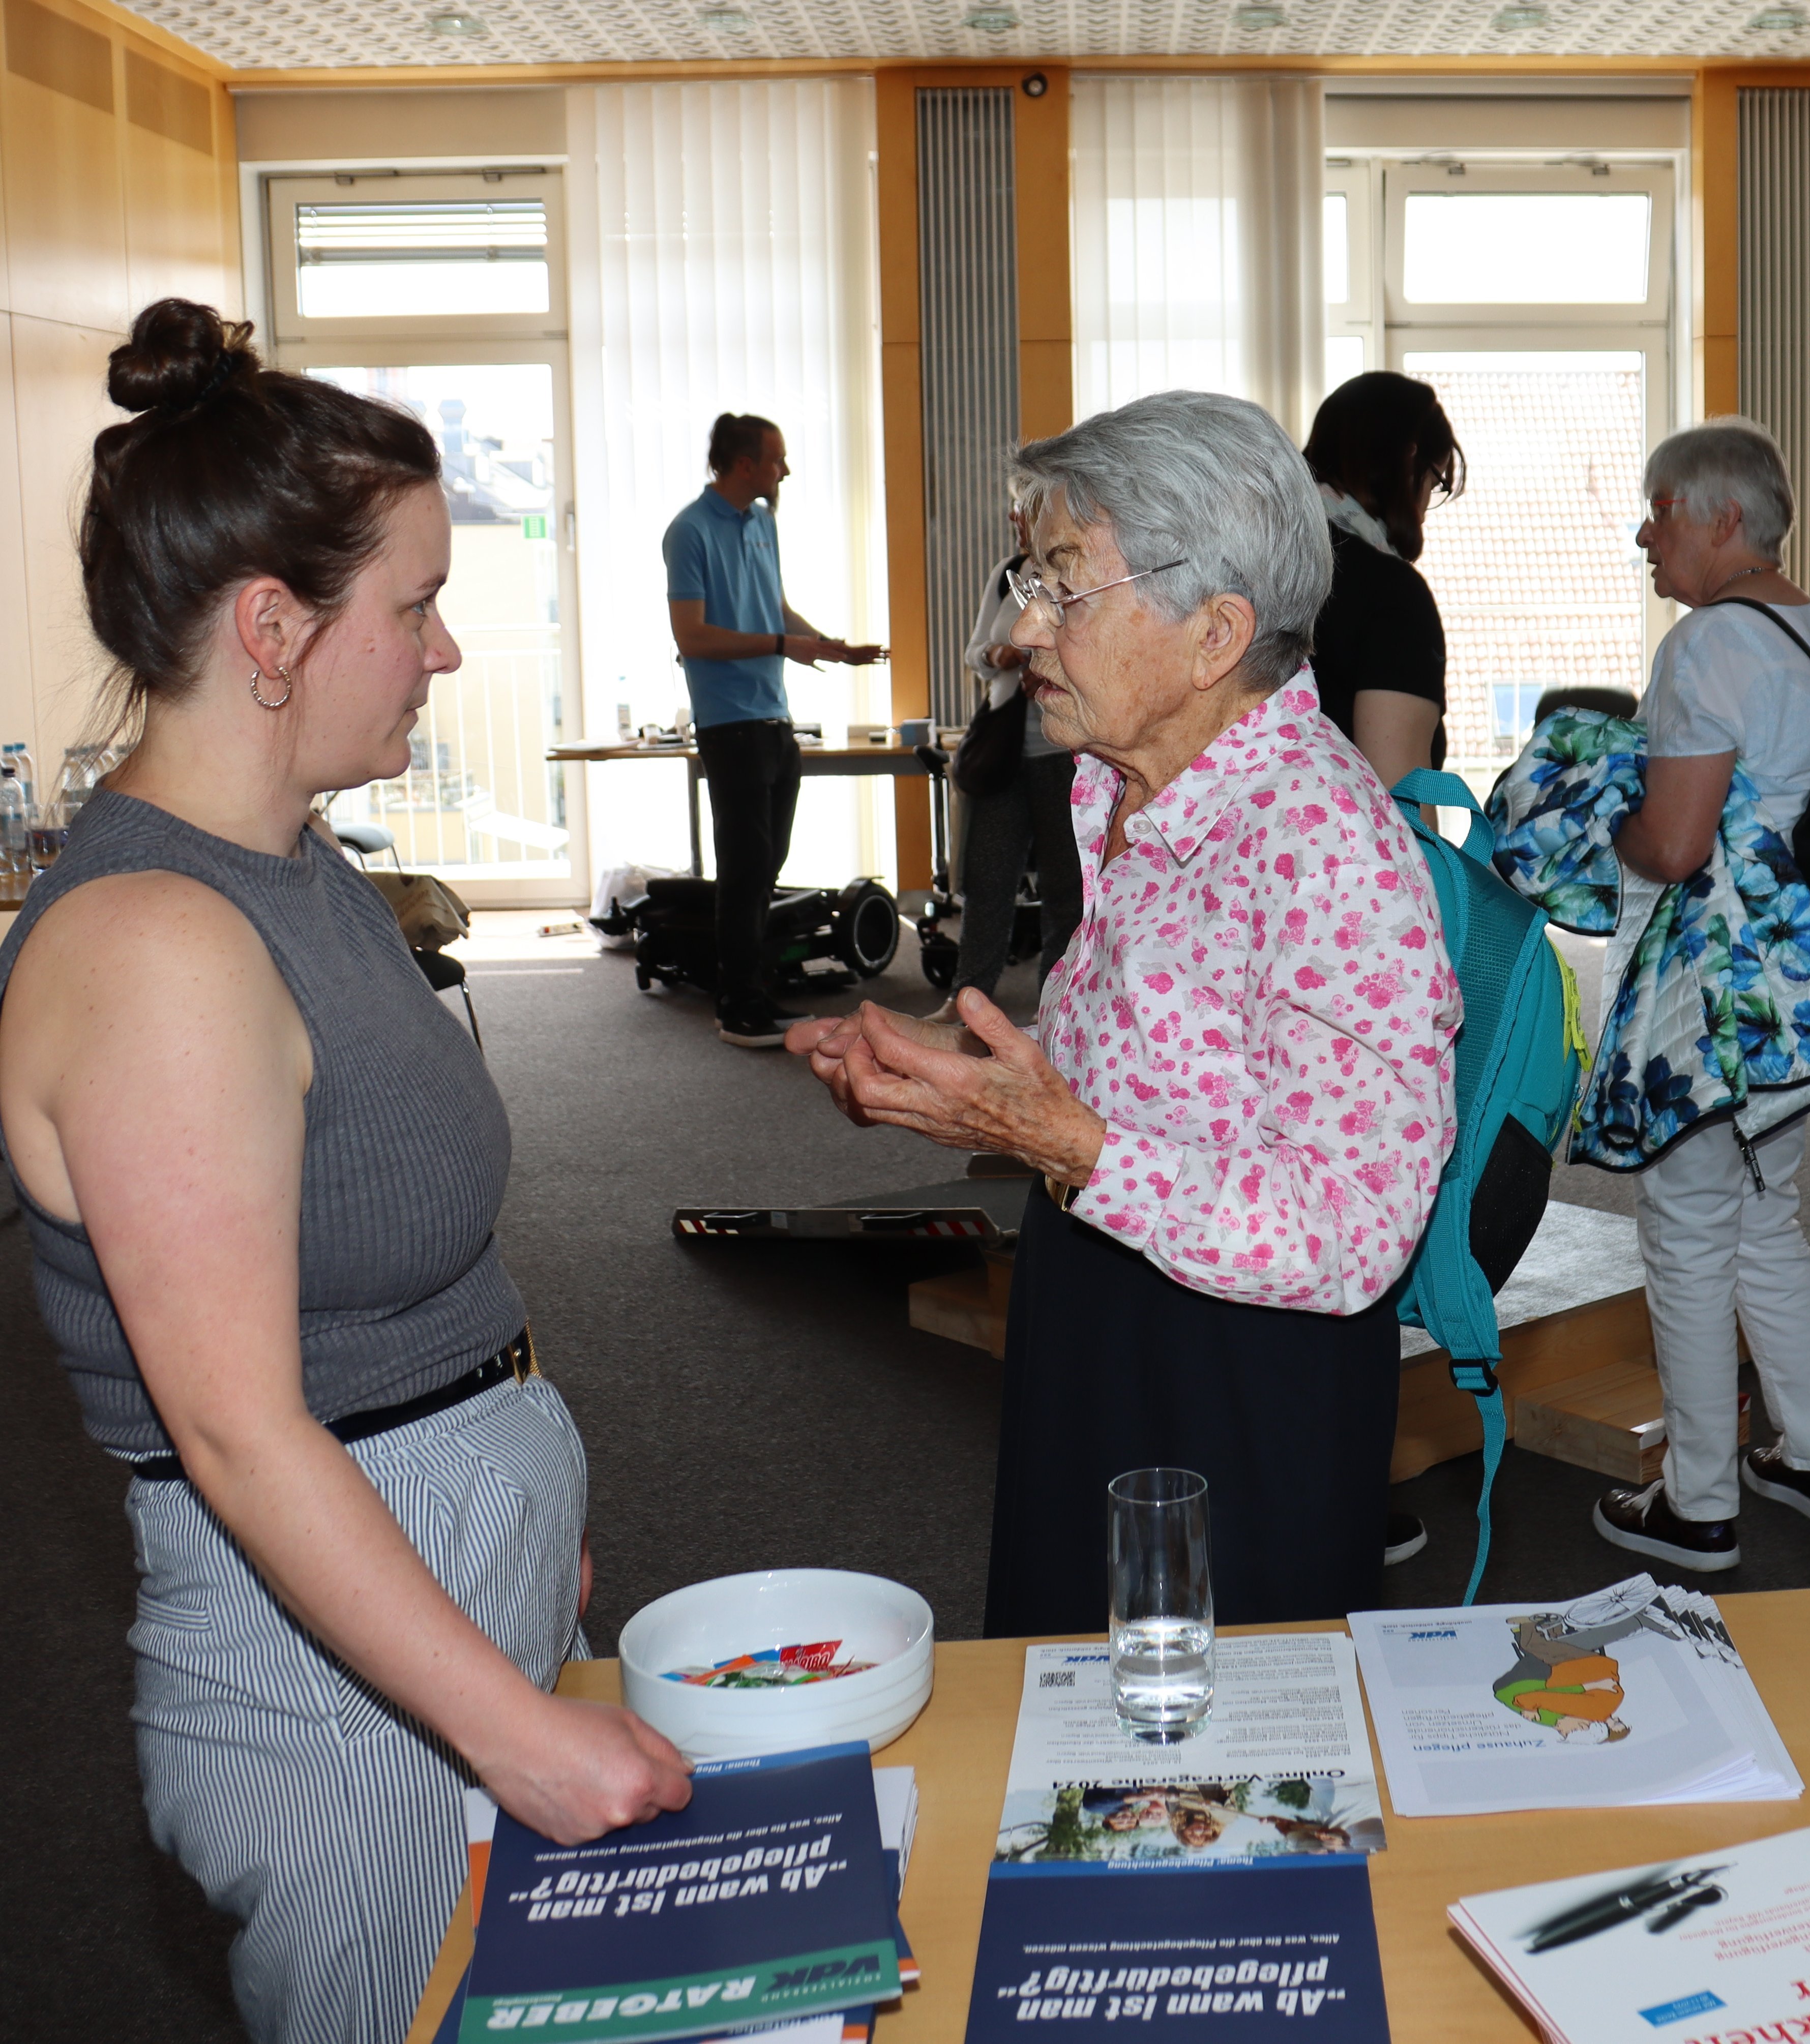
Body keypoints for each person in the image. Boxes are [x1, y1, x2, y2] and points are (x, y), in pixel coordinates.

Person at [0, 300, 692, 2044]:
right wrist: (518, 1724)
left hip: (425, 1577)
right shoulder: (158, 945)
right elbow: (239, 1427)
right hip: (326, 1677)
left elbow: (385, 1272)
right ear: (270, 631)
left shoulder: (289, 866)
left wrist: (517, 1499)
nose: (445, 652)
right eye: (417, 604)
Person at [784, 389, 1457, 1637]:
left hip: (1239, 1379)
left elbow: (1351, 1231)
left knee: (1218, 1765)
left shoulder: (1326, 847)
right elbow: (1167, 1073)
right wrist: (970, 1083)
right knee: (1069, 1693)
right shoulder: (1123, 789)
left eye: (1064, 589)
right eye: (1026, 580)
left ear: (1214, 634)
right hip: (1095, 1306)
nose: (1017, 635)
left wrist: (1065, 1145)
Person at [1587, 417, 1810, 1574]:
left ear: (1719, 518)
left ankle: (1697, 1500)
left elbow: (1672, 840)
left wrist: (1580, 804)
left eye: (1659, 511)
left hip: (1699, 988)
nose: (1644, 534)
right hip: (1785, 981)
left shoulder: (1707, 648)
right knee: (1764, 1215)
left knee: (1689, 1231)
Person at [663, 412, 885, 1048]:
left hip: (774, 716)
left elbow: (774, 608)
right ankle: (738, 1004)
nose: (784, 470)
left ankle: (753, 982)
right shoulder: (689, 532)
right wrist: (786, 642)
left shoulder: (763, 522)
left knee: (768, 864)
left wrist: (824, 646)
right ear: (743, 465)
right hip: (727, 722)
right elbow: (692, 635)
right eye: (776, 459)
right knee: (745, 866)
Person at [943, 478, 1082, 1020]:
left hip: (1063, 756)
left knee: (1065, 893)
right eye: (1011, 510)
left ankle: (1057, 1015)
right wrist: (1001, 654)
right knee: (988, 881)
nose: (1012, 520)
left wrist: (1047, 666)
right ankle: (965, 1004)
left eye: (1020, 510)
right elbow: (974, 652)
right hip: (1005, 752)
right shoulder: (1008, 574)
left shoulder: (1079, 572)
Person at [1304, 371, 1463, 783]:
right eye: (1435, 481)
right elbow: (1402, 802)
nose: (1427, 503)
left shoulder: (1255, 560)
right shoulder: (1390, 594)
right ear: (1408, 461)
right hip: (1337, 848)